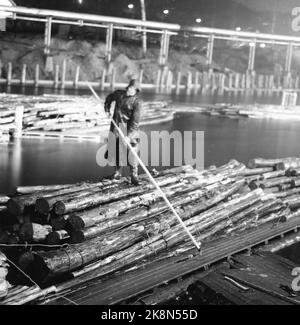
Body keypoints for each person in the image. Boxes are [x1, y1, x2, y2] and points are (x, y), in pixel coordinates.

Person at [104, 79, 143, 186]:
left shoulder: (137, 103)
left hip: (130, 130)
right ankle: (117, 173)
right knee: (116, 150)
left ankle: (134, 176)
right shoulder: (119, 94)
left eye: (133, 89)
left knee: (131, 152)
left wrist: (129, 136)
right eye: (130, 88)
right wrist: (107, 110)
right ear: (127, 87)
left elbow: (135, 122)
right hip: (116, 128)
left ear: (136, 91)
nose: (131, 91)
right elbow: (109, 98)